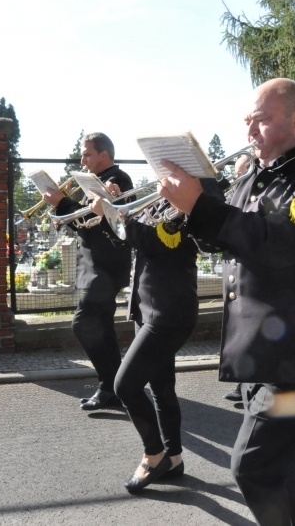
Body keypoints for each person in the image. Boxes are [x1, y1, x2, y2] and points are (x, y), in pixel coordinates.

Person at [158, 78, 295, 525]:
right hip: (262, 349)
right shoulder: (255, 174)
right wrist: (189, 209)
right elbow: (227, 239)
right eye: (247, 122)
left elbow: (281, 244)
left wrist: (203, 207)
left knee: (253, 465)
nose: (250, 131)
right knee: (281, 464)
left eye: (263, 120)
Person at [89, 194, 201, 492]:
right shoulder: (161, 203)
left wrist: (114, 213)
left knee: (124, 385)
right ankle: (174, 458)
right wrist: (108, 213)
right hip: (148, 308)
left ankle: (154, 454)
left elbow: (155, 240)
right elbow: (129, 241)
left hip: (169, 311)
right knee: (162, 388)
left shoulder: (189, 203)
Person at [43, 132, 134, 411]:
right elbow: (84, 225)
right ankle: (117, 387)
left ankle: (109, 386)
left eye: (87, 153)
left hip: (104, 269)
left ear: (103, 155)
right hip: (94, 266)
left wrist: (63, 203)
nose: (82, 159)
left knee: (83, 324)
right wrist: (62, 208)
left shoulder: (117, 180)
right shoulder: (93, 181)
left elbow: (101, 224)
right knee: (102, 327)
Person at [223, 151, 255, 403]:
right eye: (235, 174)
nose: (236, 179)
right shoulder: (234, 195)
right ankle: (242, 383)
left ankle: (249, 385)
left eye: (241, 173)